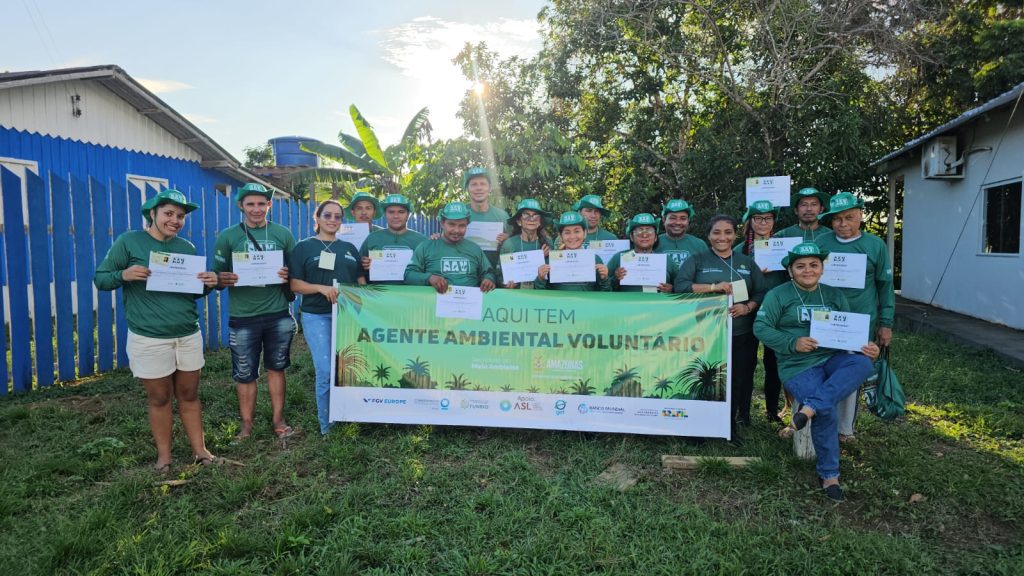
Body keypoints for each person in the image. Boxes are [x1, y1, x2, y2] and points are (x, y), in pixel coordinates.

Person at [94, 189, 220, 472]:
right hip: (149, 336)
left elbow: (192, 292)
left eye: (180, 216)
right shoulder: (129, 242)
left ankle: (200, 451)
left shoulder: (186, 247)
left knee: (189, 394)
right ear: (152, 214)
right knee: (160, 397)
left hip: (187, 333)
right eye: (168, 213)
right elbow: (100, 279)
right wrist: (123, 274)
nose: (175, 220)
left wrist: (208, 284)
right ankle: (164, 458)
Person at [754, 242, 880, 502]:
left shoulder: (834, 295)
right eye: (800, 266)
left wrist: (867, 346)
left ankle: (809, 407)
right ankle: (829, 475)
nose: (808, 270)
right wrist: (793, 342)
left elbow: (850, 332)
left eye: (814, 265)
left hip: (832, 358)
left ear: (822, 269)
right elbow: (761, 327)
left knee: (863, 364)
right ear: (791, 271)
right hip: (798, 365)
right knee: (827, 411)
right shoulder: (778, 295)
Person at [211, 182, 298, 441]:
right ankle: (246, 426)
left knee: (277, 368)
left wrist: (288, 274)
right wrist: (222, 278)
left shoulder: (283, 234)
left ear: (269, 205)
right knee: (245, 373)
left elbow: (296, 273)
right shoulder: (228, 236)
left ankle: (278, 420)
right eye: (250, 204)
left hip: (278, 313)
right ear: (241, 206)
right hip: (243, 316)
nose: (256, 209)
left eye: (262, 203)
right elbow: (216, 277)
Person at [674, 215, 766, 438]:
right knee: (703, 378)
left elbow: (761, 291)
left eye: (727, 232)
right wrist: (713, 287)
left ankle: (730, 426)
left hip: (741, 333)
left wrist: (748, 307)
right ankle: (698, 428)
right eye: (716, 232)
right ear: (708, 235)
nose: (722, 237)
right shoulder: (697, 260)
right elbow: (680, 286)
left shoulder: (746, 262)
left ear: (735, 235)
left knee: (736, 380)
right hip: (706, 333)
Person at [814, 191, 895, 441]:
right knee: (821, 369)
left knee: (851, 372)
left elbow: (885, 286)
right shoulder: (821, 243)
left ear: (860, 215)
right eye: (837, 219)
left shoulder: (875, 245)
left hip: (859, 321)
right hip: (824, 320)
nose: (843, 224)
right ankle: (819, 420)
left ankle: (844, 429)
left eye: (849, 217)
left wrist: (886, 323)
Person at [290, 200, 366, 436]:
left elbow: (360, 281)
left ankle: (350, 416)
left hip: (348, 317)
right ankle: (327, 427)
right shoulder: (304, 247)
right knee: (325, 370)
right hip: (317, 315)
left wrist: (365, 297)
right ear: (317, 217)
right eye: (328, 215)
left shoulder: (349, 248)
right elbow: (295, 284)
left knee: (350, 368)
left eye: (337, 217)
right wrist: (320, 288)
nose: (333, 220)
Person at [735, 200, 786, 423]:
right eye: (758, 218)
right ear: (750, 221)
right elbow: (734, 282)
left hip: (777, 313)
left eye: (768, 218)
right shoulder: (739, 250)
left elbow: (794, 276)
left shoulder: (784, 248)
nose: (763, 222)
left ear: (773, 221)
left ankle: (772, 411)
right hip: (747, 311)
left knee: (773, 363)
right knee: (746, 364)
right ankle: (743, 413)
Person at [405, 201, 497, 293]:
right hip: (435, 300)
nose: (456, 230)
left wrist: (488, 279)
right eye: (451, 224)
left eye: (462, 226)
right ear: (442, 223)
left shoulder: (474, 249)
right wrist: (429, 278)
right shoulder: (426, 247)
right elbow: (409, 275)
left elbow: (488, 272)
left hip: (470, 301)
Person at [360, 193, 428, 285]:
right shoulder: (372, 238)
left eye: (401, 212)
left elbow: (431, 270)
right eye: (391, 212)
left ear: (408, 214)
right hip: (379, 293)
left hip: (412, 293)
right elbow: (358, 269)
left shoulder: (422, 241)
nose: (396, 216)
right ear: (385, 214)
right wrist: (363, 263)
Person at [536, 211, 612, 291]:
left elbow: (605, 294)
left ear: (585, 233)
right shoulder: (551, 260)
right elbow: (541, 294)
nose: (572, 236)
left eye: (577, 231)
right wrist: (540, 279)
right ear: (561, 236)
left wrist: (604, 279)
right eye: (567, 232)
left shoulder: (595, 259)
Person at [608, 213, 678, 292]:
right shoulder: (620, 258)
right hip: (627, 300)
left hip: (657, 300)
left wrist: (672, 289)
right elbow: (603, 287)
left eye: (649, 230)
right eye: (639, 231)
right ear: (631, 237)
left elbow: (681, 286)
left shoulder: (666, 260)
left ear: (655, 237)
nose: (644, 235)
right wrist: (615, 278)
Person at [500, 198, 554, 289]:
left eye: (535, 215)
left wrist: (545, 259)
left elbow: (553, 275)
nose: (531, 219)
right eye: (526, 215)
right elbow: (499, 274)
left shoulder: (547, 243)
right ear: (519, 222)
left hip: (541, 294)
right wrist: (506, 283)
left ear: (540, 222)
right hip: (516, 295)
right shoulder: (509, 244)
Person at [462, 166, 511, 265]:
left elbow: (516, 243)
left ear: (490, 188)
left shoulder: (502, 216)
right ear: (467, 188)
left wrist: (508, 239)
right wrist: (437, 237)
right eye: (474, 184)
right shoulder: (459, 213)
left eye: (483, 184)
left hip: (495, 272)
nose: (479, 188)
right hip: (465, 272)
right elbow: (446, 240)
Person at [656, 198, 708, 267]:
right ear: (664, 220)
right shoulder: (653, 244)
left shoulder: (699, 245)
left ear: (688, 221)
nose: (678, 222)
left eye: (683, 218)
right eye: (673, 218)